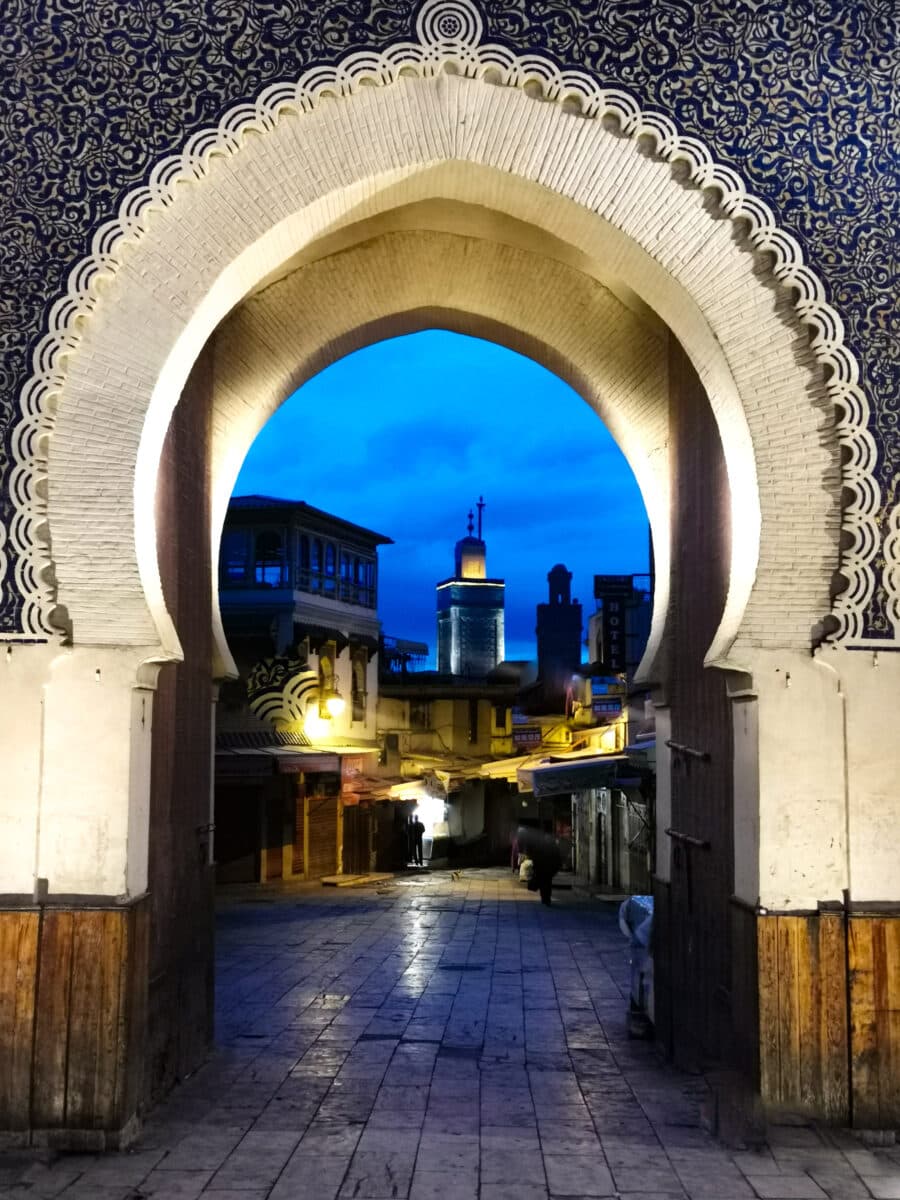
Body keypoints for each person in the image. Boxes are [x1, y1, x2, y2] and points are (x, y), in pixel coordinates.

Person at [529, 830, 562, 906]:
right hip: (545, 869)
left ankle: (545, 898)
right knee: (546, 884)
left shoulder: (545, 846)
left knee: (545, 884)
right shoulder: (551, 846)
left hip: (546, 869)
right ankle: (546, 898)